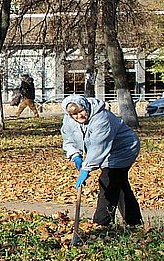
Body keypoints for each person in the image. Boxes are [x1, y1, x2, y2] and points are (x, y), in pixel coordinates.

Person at [60, 95, 142, 227]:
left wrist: (86, 168)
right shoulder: (69, 120)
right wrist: (75, 155)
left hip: (124, 149)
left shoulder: (101, 118)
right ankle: (134, 221)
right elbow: (68, 139)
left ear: (85, 107)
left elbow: (99, 146)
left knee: (108, 180)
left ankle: (101, 223)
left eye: (81, 111)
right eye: (74, 114)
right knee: (119, 183)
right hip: (106, 151)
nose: (79, 116)